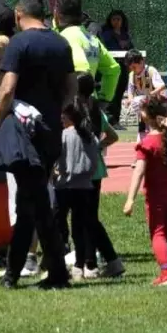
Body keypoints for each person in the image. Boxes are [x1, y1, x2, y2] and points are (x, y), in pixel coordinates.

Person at [0, 0, 74, 290]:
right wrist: (54, 112)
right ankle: (13, 275)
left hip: (23, 134)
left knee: (36, 204)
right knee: (28, 202)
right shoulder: (60, 43)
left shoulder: (19, 43)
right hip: (50, 132)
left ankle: (56, 273)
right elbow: (71, 87)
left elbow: (7, 89)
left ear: (18, 14)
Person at [123, 95, 167, 286]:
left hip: (156, 196)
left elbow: (138, 172)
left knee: (158, 232)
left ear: (149, 116)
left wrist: (130, 199)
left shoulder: (148, 143)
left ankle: (166, 273)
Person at [70, 73, 125, 278]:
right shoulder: (96, 109)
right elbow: (113, 135)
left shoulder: (74, 110)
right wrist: (98, 147)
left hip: (78, 169)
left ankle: (89, 263)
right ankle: (100, 261)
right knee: (89, 217)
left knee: (81, 219)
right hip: (96, 169)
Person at [54, 97, 100, 281]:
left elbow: (58, 158)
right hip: (86, 185)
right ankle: (81, 264)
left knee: (58, 223)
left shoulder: (65, 135)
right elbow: (96, 158)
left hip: (66, 185)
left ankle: (59, 260)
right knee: (80, 227)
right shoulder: (90, 136)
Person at [55, 0, 121, 109]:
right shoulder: (91, 38)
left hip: (74, 111)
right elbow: (113, 69)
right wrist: (103, 100)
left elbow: (81, 71)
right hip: (91, 105)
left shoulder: (68, 36)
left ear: (58, 13)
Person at [98, 10, 133, 127]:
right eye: (114, 19)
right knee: (111, 95)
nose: (116, 22)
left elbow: (131, 49)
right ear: (110, 20)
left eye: (119, 19)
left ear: (122, 21)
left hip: (124, 68)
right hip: (111, 68)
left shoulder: (126, 34)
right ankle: (109, 121)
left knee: (119, 94)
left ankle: (116, 121)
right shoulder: (106, 34)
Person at [123, 50, 165, 138]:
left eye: (134, 67)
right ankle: (142, 139)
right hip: (142, 107)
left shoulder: (150, 71)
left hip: (154, 105)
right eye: (130, 68)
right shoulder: (132, 75)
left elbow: (162, 86)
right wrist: (129, 100)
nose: (132, 70)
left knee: (156, 128)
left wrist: (150, 95)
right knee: (142, 127)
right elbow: (130, 91)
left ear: (141, 62)